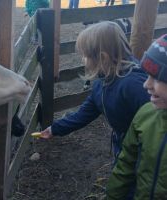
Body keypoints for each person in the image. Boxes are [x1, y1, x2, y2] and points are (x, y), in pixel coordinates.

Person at [40, 21, 150, 162]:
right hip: (123, 144)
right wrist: (55, 129)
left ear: (103, 57)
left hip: (143, 151)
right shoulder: (102, 82)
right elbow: (84, 114)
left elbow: (157, 122)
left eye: (85, 56)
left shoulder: (134, 85)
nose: (83, 60)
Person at [106, 34, 167, 199]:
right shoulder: (146, 114)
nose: (146, 84)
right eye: (147, 76)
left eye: (156, 78)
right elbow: (125, 165)